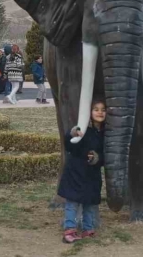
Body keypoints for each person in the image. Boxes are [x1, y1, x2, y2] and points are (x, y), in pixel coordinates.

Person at [58, 99, 106, 244]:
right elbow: (70, 146)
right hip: (76, 172)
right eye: (96, 109)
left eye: (103, 109)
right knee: (72, 202)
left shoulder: (105, 133)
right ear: (89, 112)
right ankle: (70, 230)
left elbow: (106, 154)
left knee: (90, 203)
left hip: (92, 174)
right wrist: (72, 134)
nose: (100, 112)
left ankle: (88, 229)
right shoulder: (82, 129)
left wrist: (98, 158)